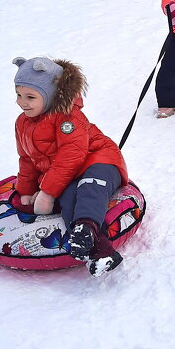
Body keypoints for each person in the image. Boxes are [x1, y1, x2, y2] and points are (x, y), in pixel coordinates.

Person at [12, 56, 128, 276]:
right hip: (68, 174)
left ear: (50, 95)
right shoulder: (22, 123)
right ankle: (102, 252)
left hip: (99, 160)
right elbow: (26, 159)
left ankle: (86, 227)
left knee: (90, 187)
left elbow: (71, 156)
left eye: (30, 97)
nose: (22, 102)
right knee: (68, 200)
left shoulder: (68, 119)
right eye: (18, 95)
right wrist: (25, 192)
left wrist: (46, 192)